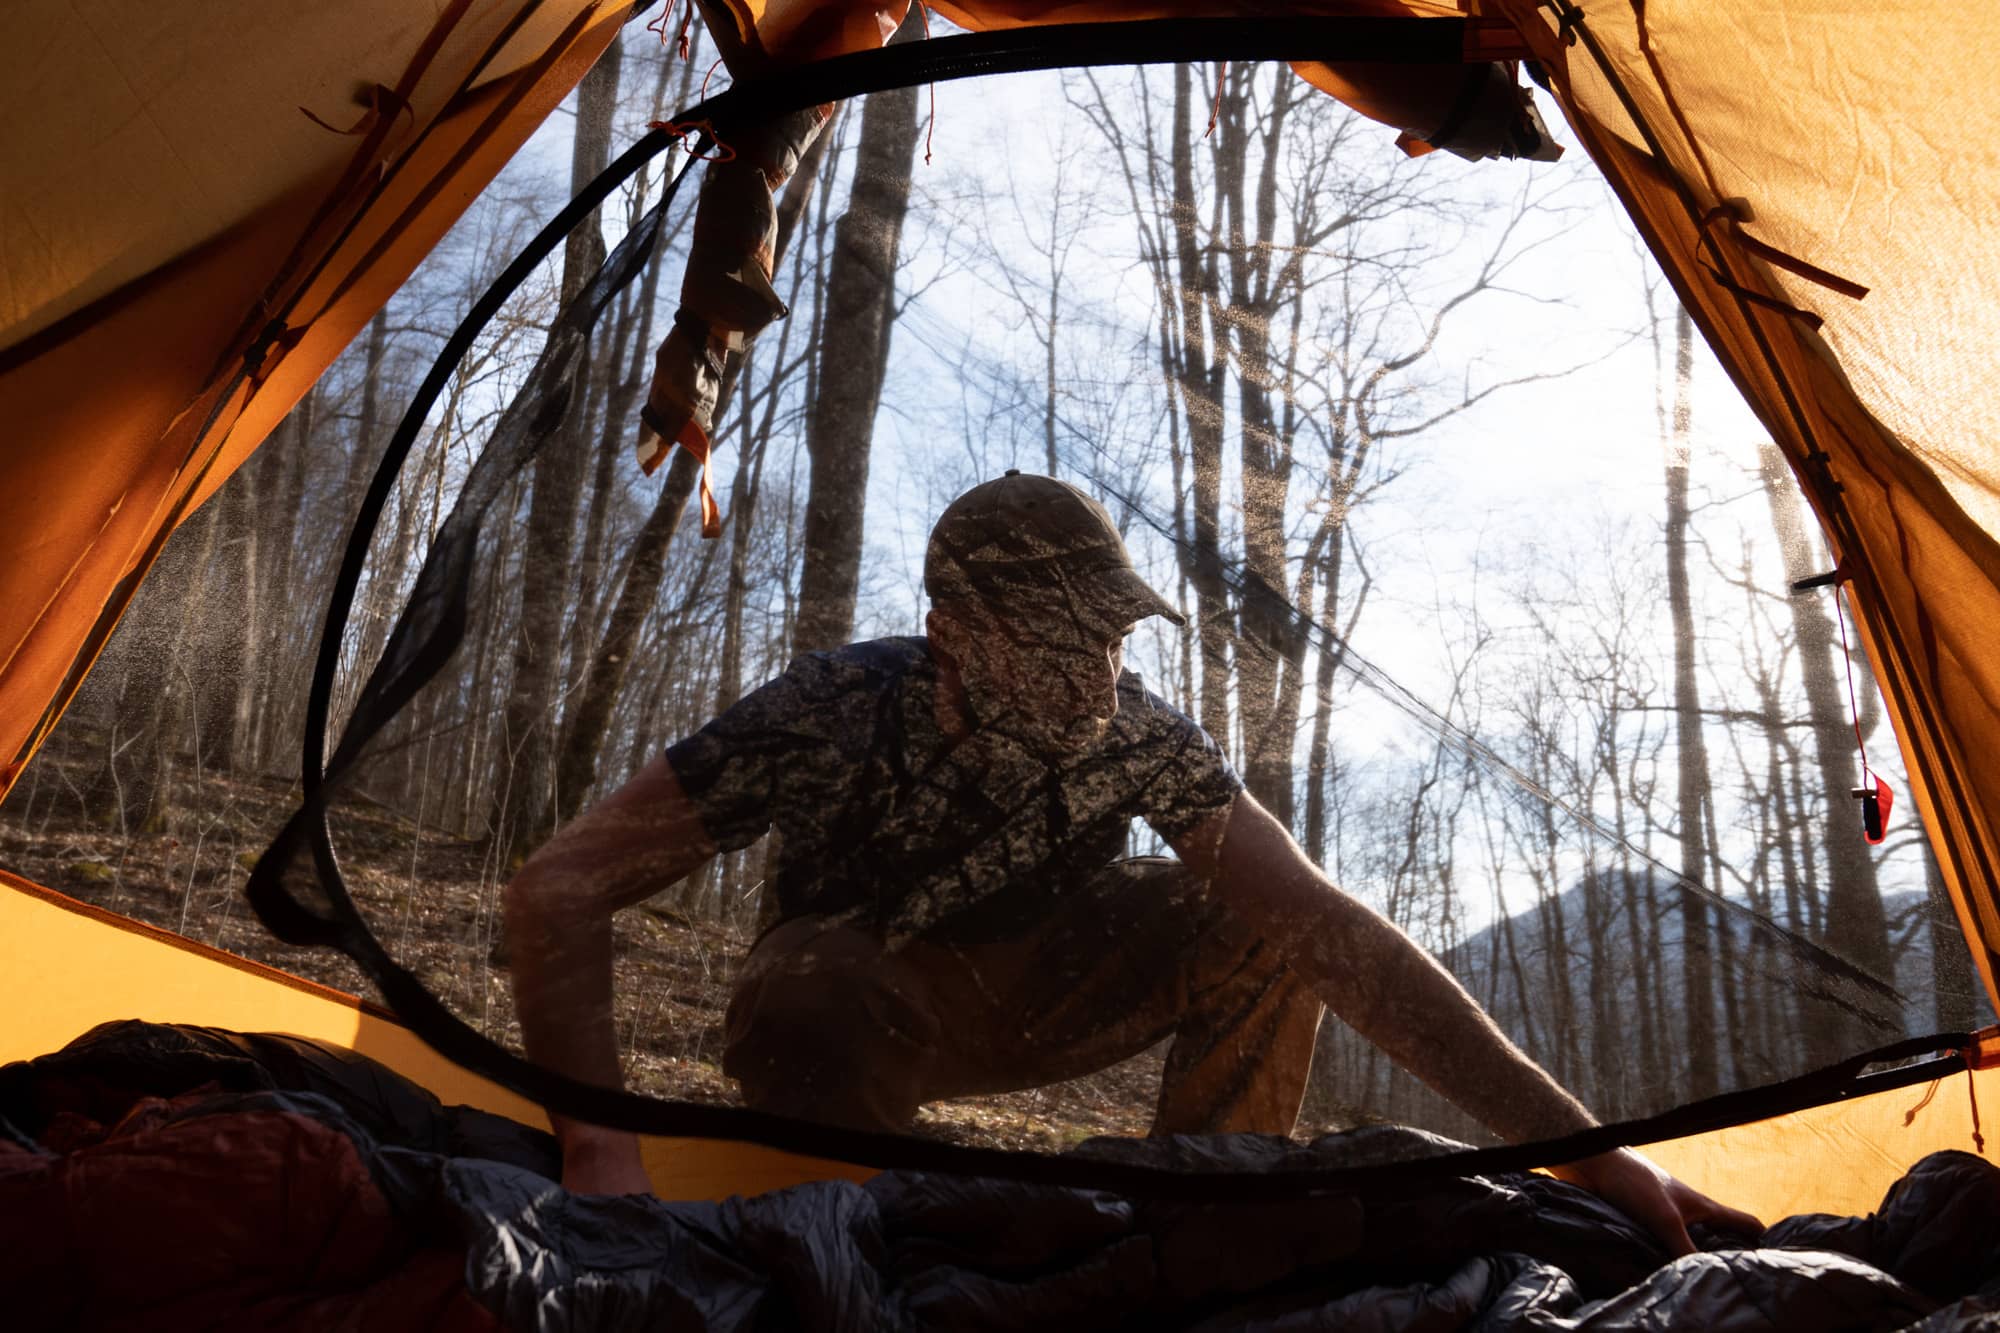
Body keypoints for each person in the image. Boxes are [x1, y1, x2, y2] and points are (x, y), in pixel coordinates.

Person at [504, 471, 1758, 1253]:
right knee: (810, 986)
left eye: (1109, 634)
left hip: (1044, 990)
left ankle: (1203, 1234)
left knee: (1267, 924)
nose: (1095, 676)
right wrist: (603, 1152)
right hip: (853, 1012)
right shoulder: (833, 704)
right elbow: (559, 883)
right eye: (1054, 642)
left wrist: (1592, 1150)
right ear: (949, 635)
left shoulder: (1140, 736)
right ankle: (852, 1242)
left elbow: (1332, 931)